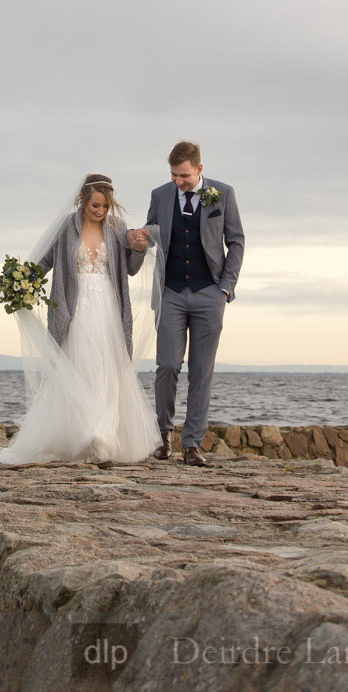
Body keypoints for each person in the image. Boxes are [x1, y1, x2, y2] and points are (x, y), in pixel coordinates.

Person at [0, 174, 160, 464]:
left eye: (105, 206)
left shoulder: (116, 227)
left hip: (109, 308)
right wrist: (22, 283)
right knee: (80, 366)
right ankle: (86, 433)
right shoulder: (66, 228)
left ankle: (103, 437)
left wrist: (139, 247)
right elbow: (45, 261)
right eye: (95, 205)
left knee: (108, 370)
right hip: (75, 308)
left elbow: (131, 269)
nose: (100, 211)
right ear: (82, 200)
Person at [134, 141, 245, 466]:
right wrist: (140, 238)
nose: (178, 182)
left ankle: (193, 444)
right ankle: (163, 436)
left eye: (183, 176)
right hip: (169, 292)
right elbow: (153, 233)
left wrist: (225, 288)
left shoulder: (223, 194)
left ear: (199, 169)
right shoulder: (161, 195)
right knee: (167, 365)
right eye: (173, 175)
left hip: (210, 293)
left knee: (201, 371)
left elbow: (236, 241)